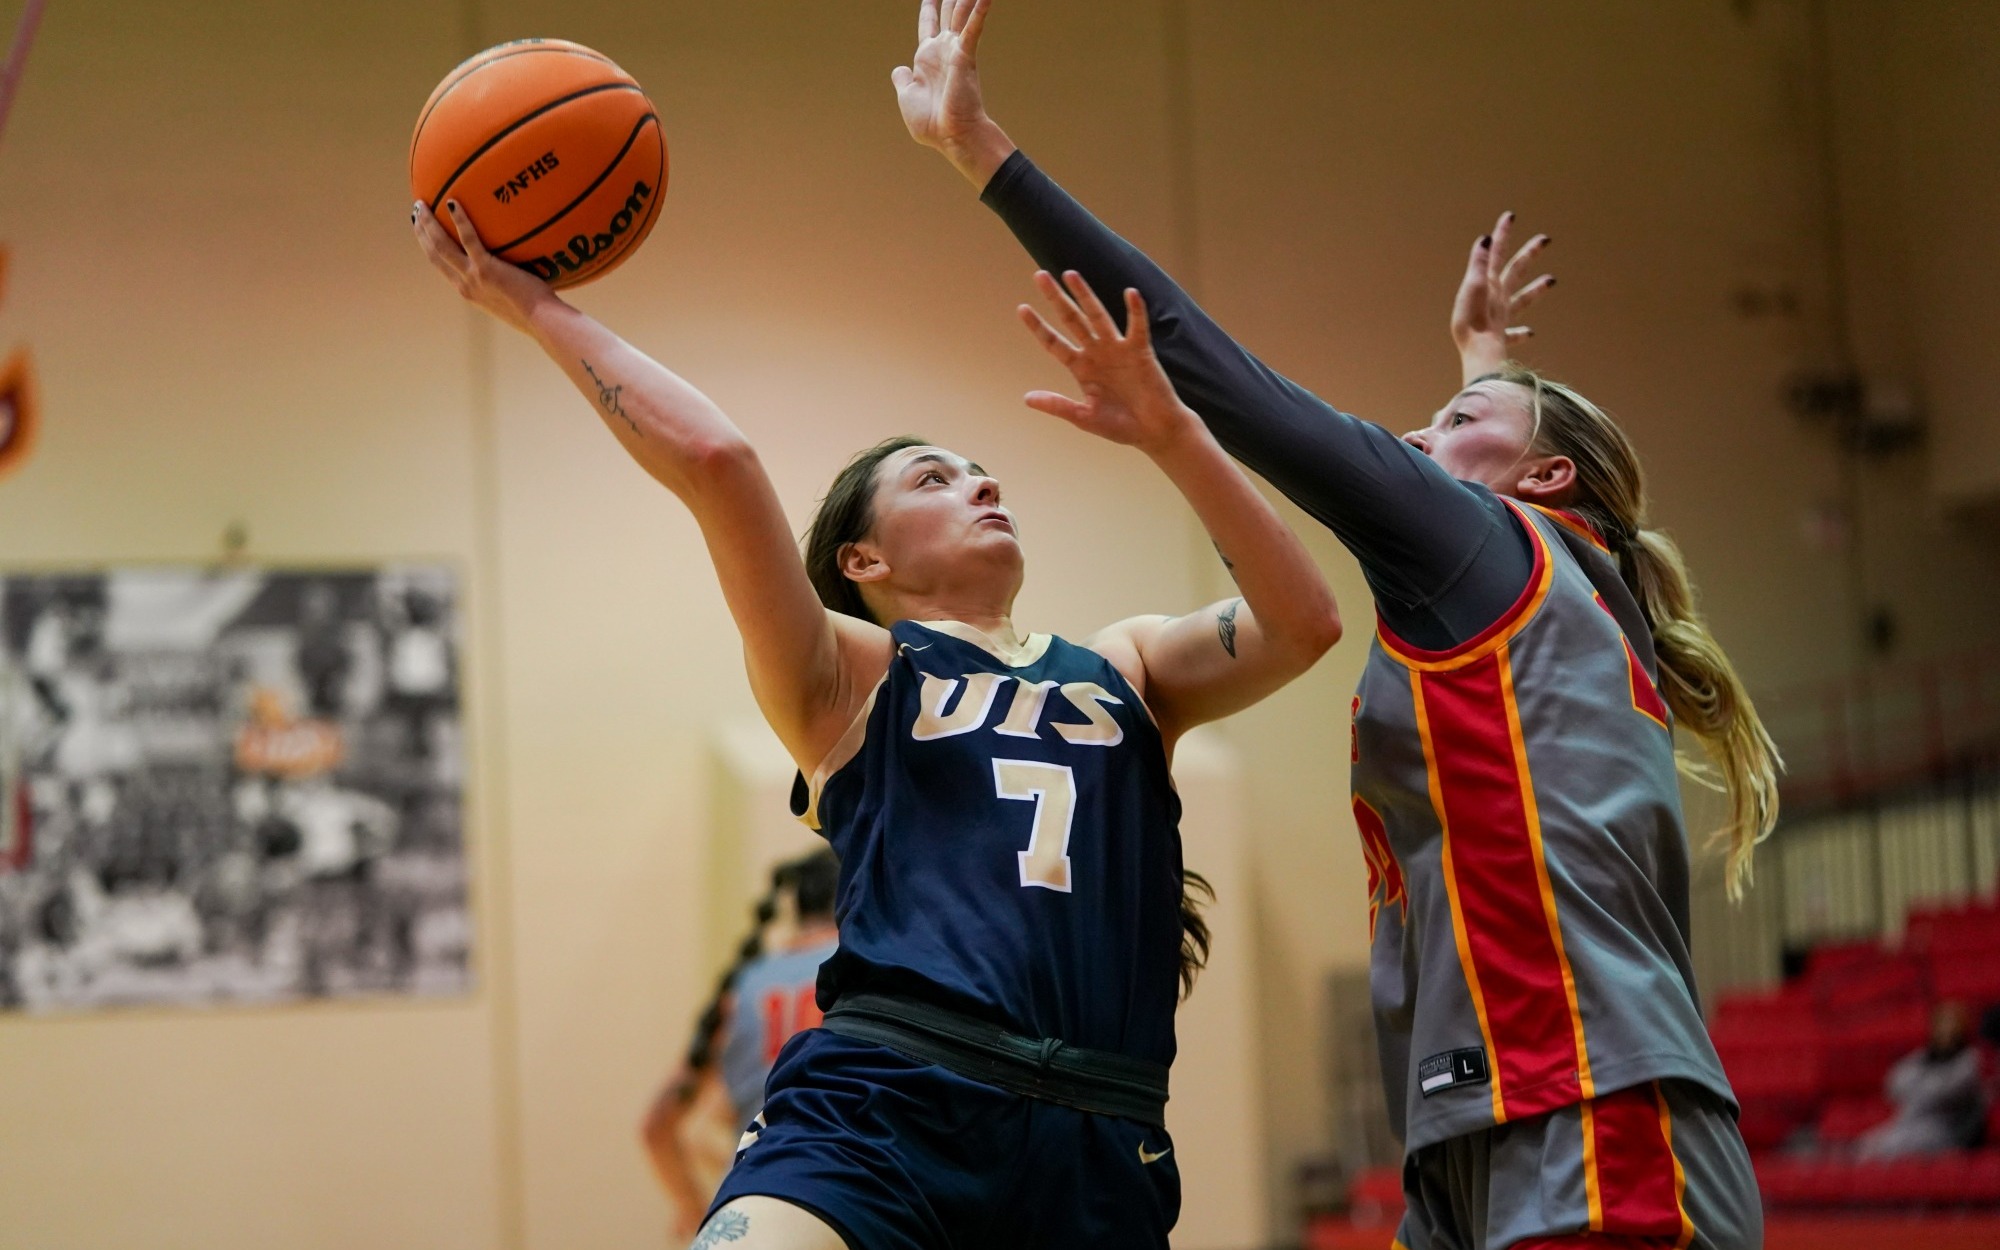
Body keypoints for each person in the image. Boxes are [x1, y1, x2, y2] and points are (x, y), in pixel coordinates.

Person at [894, 3, 1779, 1247]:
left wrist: (985, 154)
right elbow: (1520, 475)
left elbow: (1210, 364)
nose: (1415, 439)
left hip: (1589, 1107)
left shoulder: (1495, 549)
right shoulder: (1566, 586)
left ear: (1544, 481)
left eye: (1456, 419)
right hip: (1481, 1122)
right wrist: (1478, 363)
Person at [412, 172, 1339, 1249]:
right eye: (935, 479)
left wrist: (1171, 430)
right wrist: (532, 303)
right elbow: (718, 462)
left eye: (986, 474)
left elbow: (1304, 620)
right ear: (863, 558)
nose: (980, 486)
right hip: (887, 1094)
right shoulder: (854, 671)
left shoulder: (1125, 664)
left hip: (1099, 1131)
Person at [643, 849, 842, 1241]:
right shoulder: (869, 971)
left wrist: (695, 1210)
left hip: (743, 1212)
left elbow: (656, 1128)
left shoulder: (742, 987)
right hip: (841, 1210)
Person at [1853, 1000, 1989, 1159]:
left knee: (1891, 1148)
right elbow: (1894, 1082)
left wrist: (1918, 1087)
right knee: (1865, 1146)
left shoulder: (1971, 1059)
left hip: (1948, 1131)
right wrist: (1926, 1085)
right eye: (1942, 1024)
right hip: (1911, 1123)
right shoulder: (1923, 1056)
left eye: (1951, 1024)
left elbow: (1940, 1093)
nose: (1946, 1031)